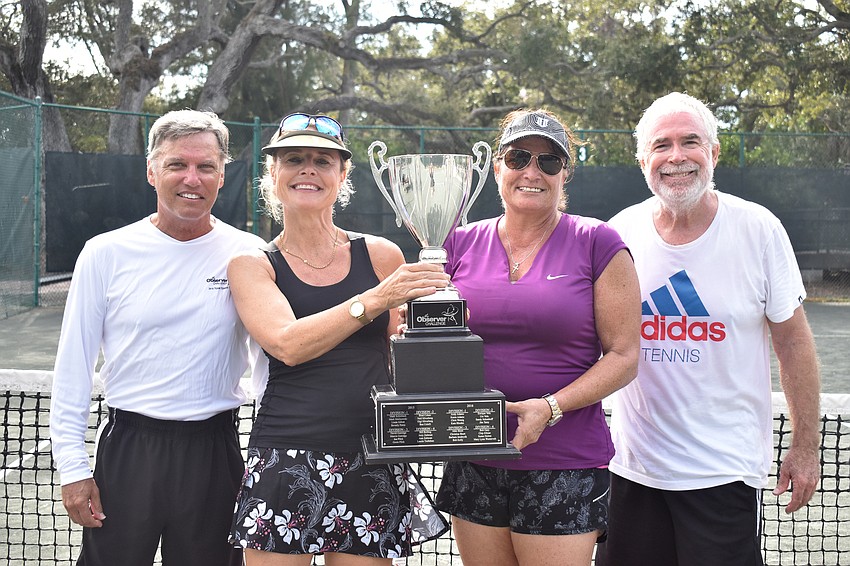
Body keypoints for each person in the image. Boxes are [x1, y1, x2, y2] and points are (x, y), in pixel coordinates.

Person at [596, 92, 822, 566]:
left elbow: (793, 342)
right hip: (633, 472)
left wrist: (805, 447)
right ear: (642, 161)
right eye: (661, 145)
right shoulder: (619, 234)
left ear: (714, 153)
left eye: (690, 142)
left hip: (724, 475)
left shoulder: (759, 230)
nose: (676, 157)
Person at [226, 113, 449, 564]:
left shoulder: (382, 254)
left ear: (342, 174)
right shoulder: (252, 265)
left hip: (372, 453)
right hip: (284, 456)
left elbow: (401, 354)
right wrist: (375, 299)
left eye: (323, 161)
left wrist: (436, 332)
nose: (308, 170)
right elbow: (287, 344)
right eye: (294, 159)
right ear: (273, 172)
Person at [49, 110, 268, 566]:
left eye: (206, 166)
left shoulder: (250, 254)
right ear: (152, 172)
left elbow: (267, 368)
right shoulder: (104, 253)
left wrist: (267, 462)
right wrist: (72, 468)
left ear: (222, 175)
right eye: (177, 165)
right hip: (128, 453)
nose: (192, 178)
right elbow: (73, 368)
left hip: (216, 455)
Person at [433, 109, 642, 566]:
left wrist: (550, 408)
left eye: (548, 162)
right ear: (497, 168)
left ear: (564, 174)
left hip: (564, 461)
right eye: (518, 158)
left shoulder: (598, 241)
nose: (532, 172)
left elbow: (625, 356)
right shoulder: (456, 243)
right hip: (474, 457)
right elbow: (429, 340)